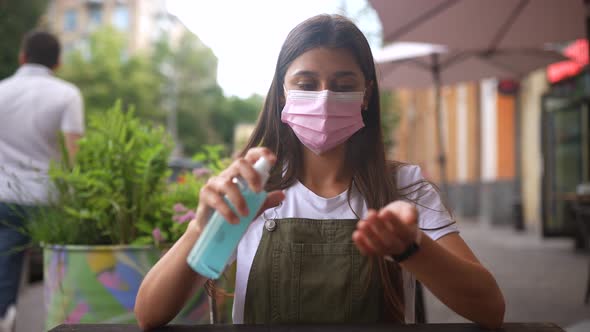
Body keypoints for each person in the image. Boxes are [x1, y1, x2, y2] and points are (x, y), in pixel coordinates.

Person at [135, 15, 504, 329]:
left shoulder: (405, 188)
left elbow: (489, 308)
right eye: (306, 85)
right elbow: (149, 313)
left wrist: (411, 248)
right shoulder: (250, 191)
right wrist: (201, 229)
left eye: (343, 86)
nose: (325, 98)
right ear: (282, 93)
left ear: (367, 95)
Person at [0, 31, 84, 331]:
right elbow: (74, 155)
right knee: (61, 264)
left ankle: (4, 315)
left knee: (5, 266)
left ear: (22, 57)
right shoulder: (67, 95)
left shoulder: (2, 91)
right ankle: (63, 319)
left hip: (5, 195)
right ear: (58, 62)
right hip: (50, 199)